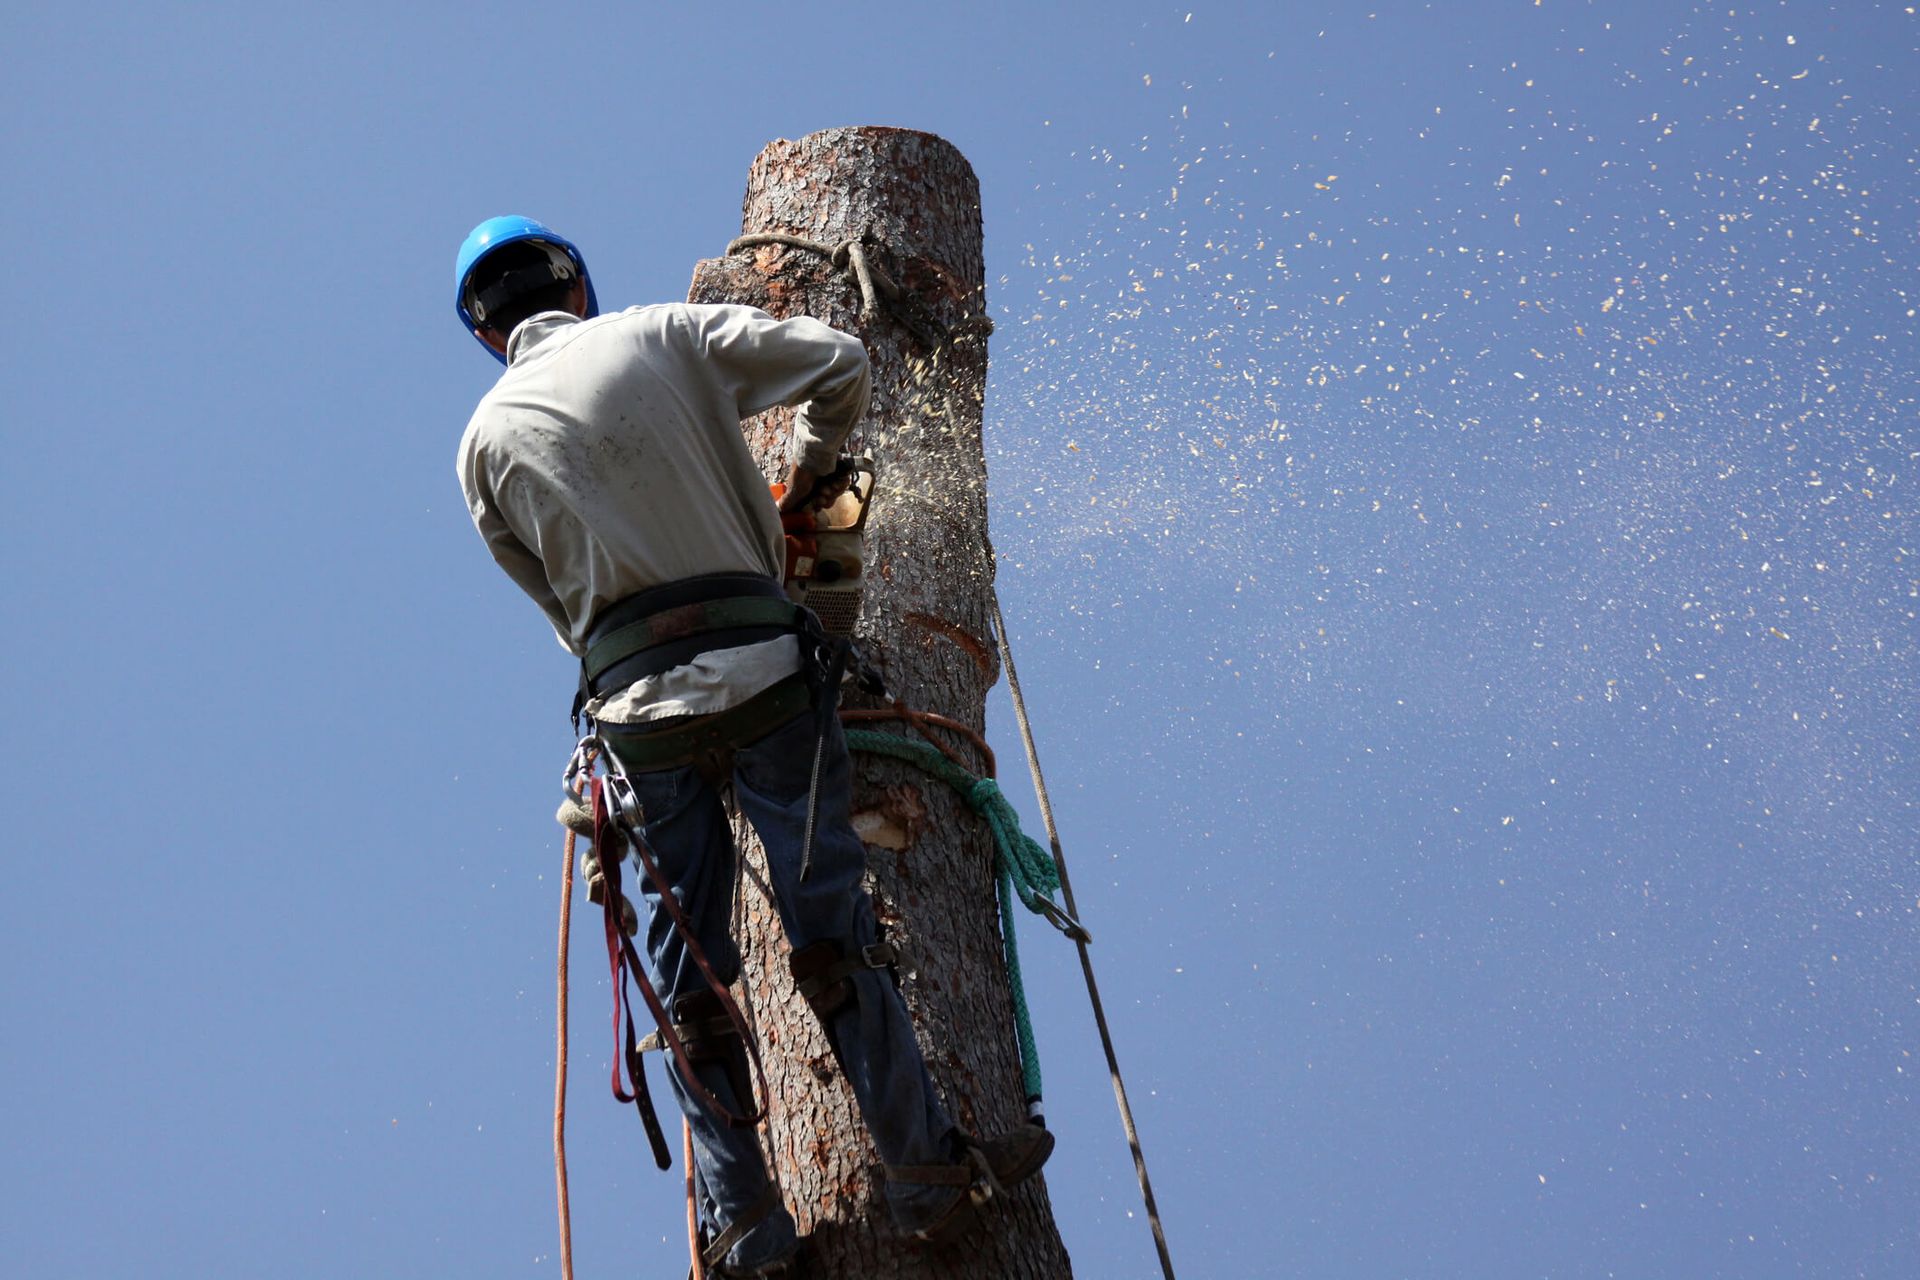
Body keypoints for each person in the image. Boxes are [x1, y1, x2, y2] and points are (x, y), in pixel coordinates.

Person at [452, 217, 1049, 1276]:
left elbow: (559, 608)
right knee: (830, 933)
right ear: (574, 286)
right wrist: (811, 480)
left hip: (632, 710)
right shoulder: (660, 333)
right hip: (766, 670)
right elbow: (842, 360)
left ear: (486, 330)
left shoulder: (482, 443)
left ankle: (746, 1227)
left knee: (691, 979)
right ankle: (926, 1173)